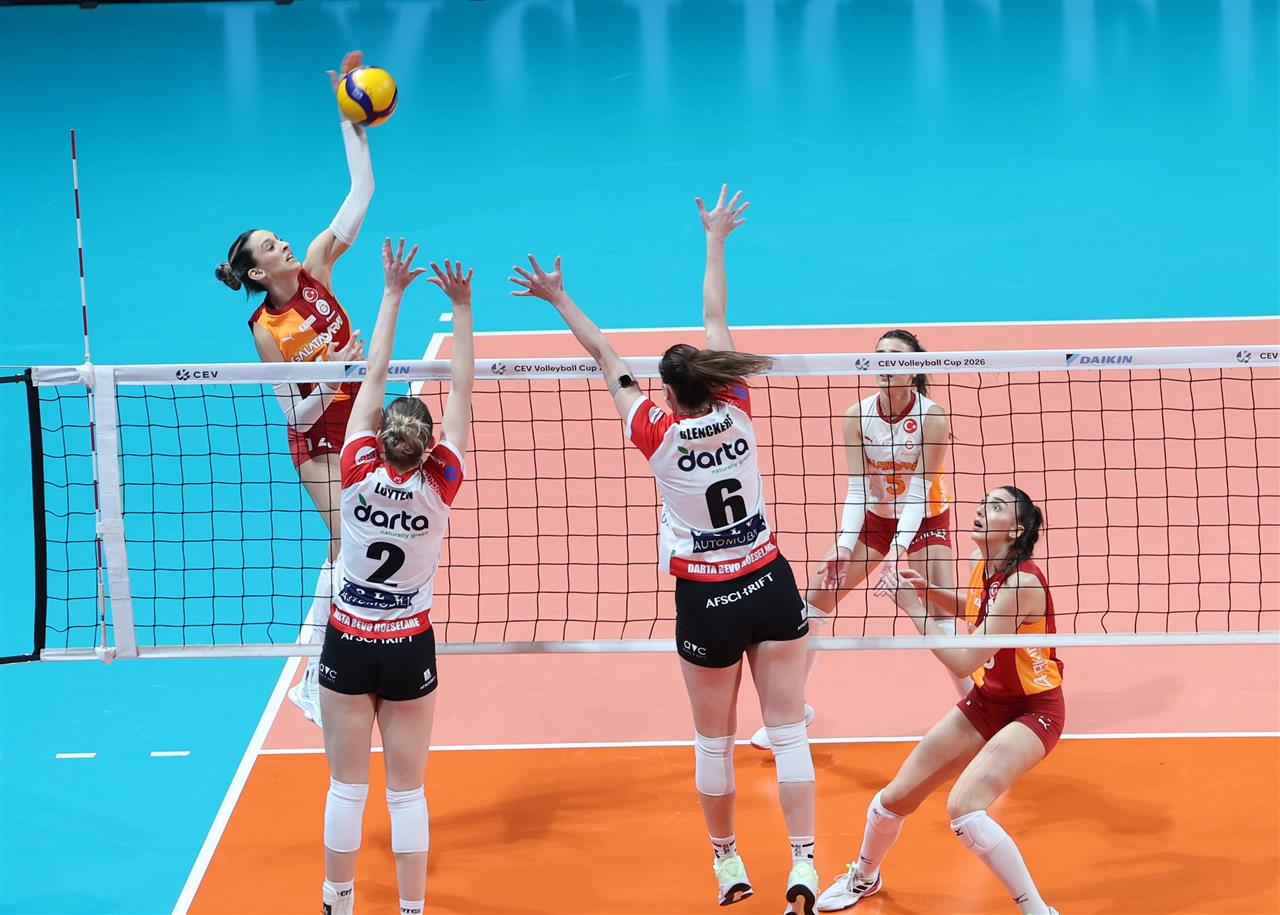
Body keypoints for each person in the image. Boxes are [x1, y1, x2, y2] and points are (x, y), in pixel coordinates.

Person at [510, 186, 820, 913]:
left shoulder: (655, 432)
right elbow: (715, 315)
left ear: (667, 394)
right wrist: (715, 239)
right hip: (770, 582)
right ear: (711, 379)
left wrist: (558, 297)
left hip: (708, 598)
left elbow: (604, 353)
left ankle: (726, 860)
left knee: (714, 742)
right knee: (788, 732)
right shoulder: (737, 407)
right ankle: (805, 863)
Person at [214, 50, 377, 726]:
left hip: (361, 419)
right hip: (317, 442)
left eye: (279, 238)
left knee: (359, 545)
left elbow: (361, 192)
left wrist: (349, 117)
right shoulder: (266, 330)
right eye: (270, 246)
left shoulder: (317, 268)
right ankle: (314, 673)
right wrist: (335, 368)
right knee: (347, 543)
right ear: (256, 273)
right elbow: (296, 412)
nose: (282, 245)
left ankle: (332, 663)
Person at [317, 239, 474, 915]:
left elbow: (374, 371)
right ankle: (412, 908)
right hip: (408, 643)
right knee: (406, 793)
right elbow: (462, 388)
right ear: (431, 446)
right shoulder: (442, 483)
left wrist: (390, 292)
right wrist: (462, 309)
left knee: (346, 789)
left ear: (379, 437)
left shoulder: (354, 465)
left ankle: (337, 900)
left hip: (348, 639)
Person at [815, 487, 1062, 915]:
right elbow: (979, 608)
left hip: (1034, 711)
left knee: (964, 809)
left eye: (996, 507)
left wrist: (913, 607)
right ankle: (865, 877)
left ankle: (1038, 910)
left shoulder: (1022, 583)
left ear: (1016, 530)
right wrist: (930, 590)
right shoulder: (982, 562)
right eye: (983, 503)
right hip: (988, 702)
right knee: (893, 800)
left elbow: (964, 660)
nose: (981, 510)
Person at [751, 330, 965, 751]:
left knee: (941, 612)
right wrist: (845, 544)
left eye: (896, 357)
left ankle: (981, 705)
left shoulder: (933, 418)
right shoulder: (856, 415)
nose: (885, 362)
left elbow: (919, 492)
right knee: (815, 597)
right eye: (879, 354)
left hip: (925, 520)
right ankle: (793, 711)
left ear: (913, 369)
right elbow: (857, 488)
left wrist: (899, 550)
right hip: (875, 520)